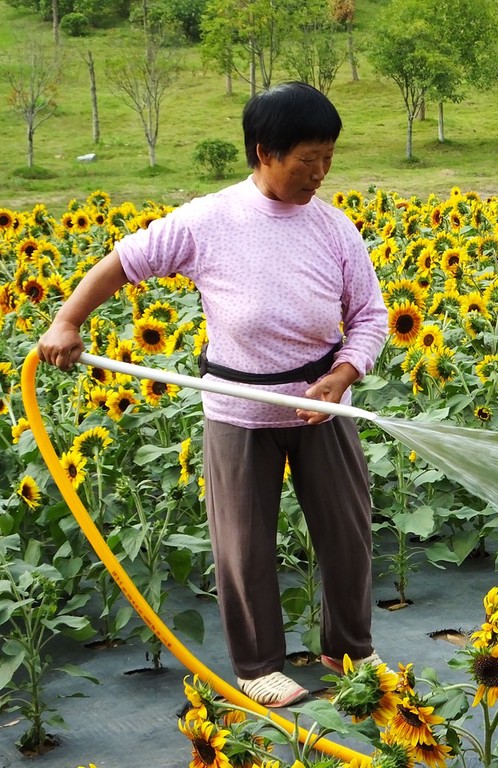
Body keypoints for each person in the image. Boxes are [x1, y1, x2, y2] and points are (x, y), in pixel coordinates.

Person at [37, 82, 389, 708]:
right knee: (244, 543)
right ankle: (259, 667)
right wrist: (68, 321)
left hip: (320, 403)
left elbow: (368, 315)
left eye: (329, 156)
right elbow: (124, 261)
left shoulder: (334, 229)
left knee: (348, 532)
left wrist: (344, 372)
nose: (321, 172)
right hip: (238, 408)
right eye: (308, 158)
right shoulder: (210, 220)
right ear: (264, 152)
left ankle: (350, 651)